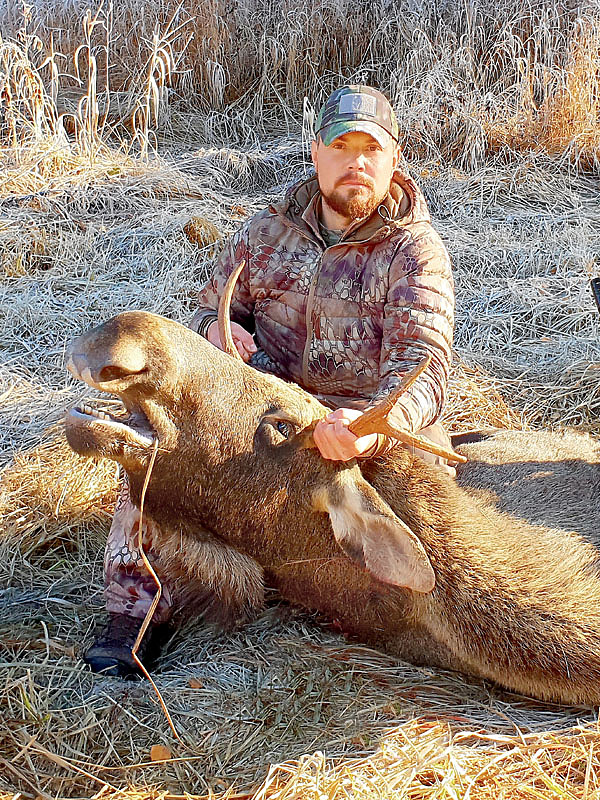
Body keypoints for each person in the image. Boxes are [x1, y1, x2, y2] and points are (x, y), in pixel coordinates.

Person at [84, 85, 455, 677]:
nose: (356, 163)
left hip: (358, 429)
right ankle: (136, 609)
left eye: (371, 149)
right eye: (341, 147)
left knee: (427, 555)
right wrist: (216, 331)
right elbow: (206, 314)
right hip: (265, 426)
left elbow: (426, 366)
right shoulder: (265, 233)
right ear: (316, 153)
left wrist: (370, 429)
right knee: (156, 461)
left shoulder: (415, 253)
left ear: (394, 158)